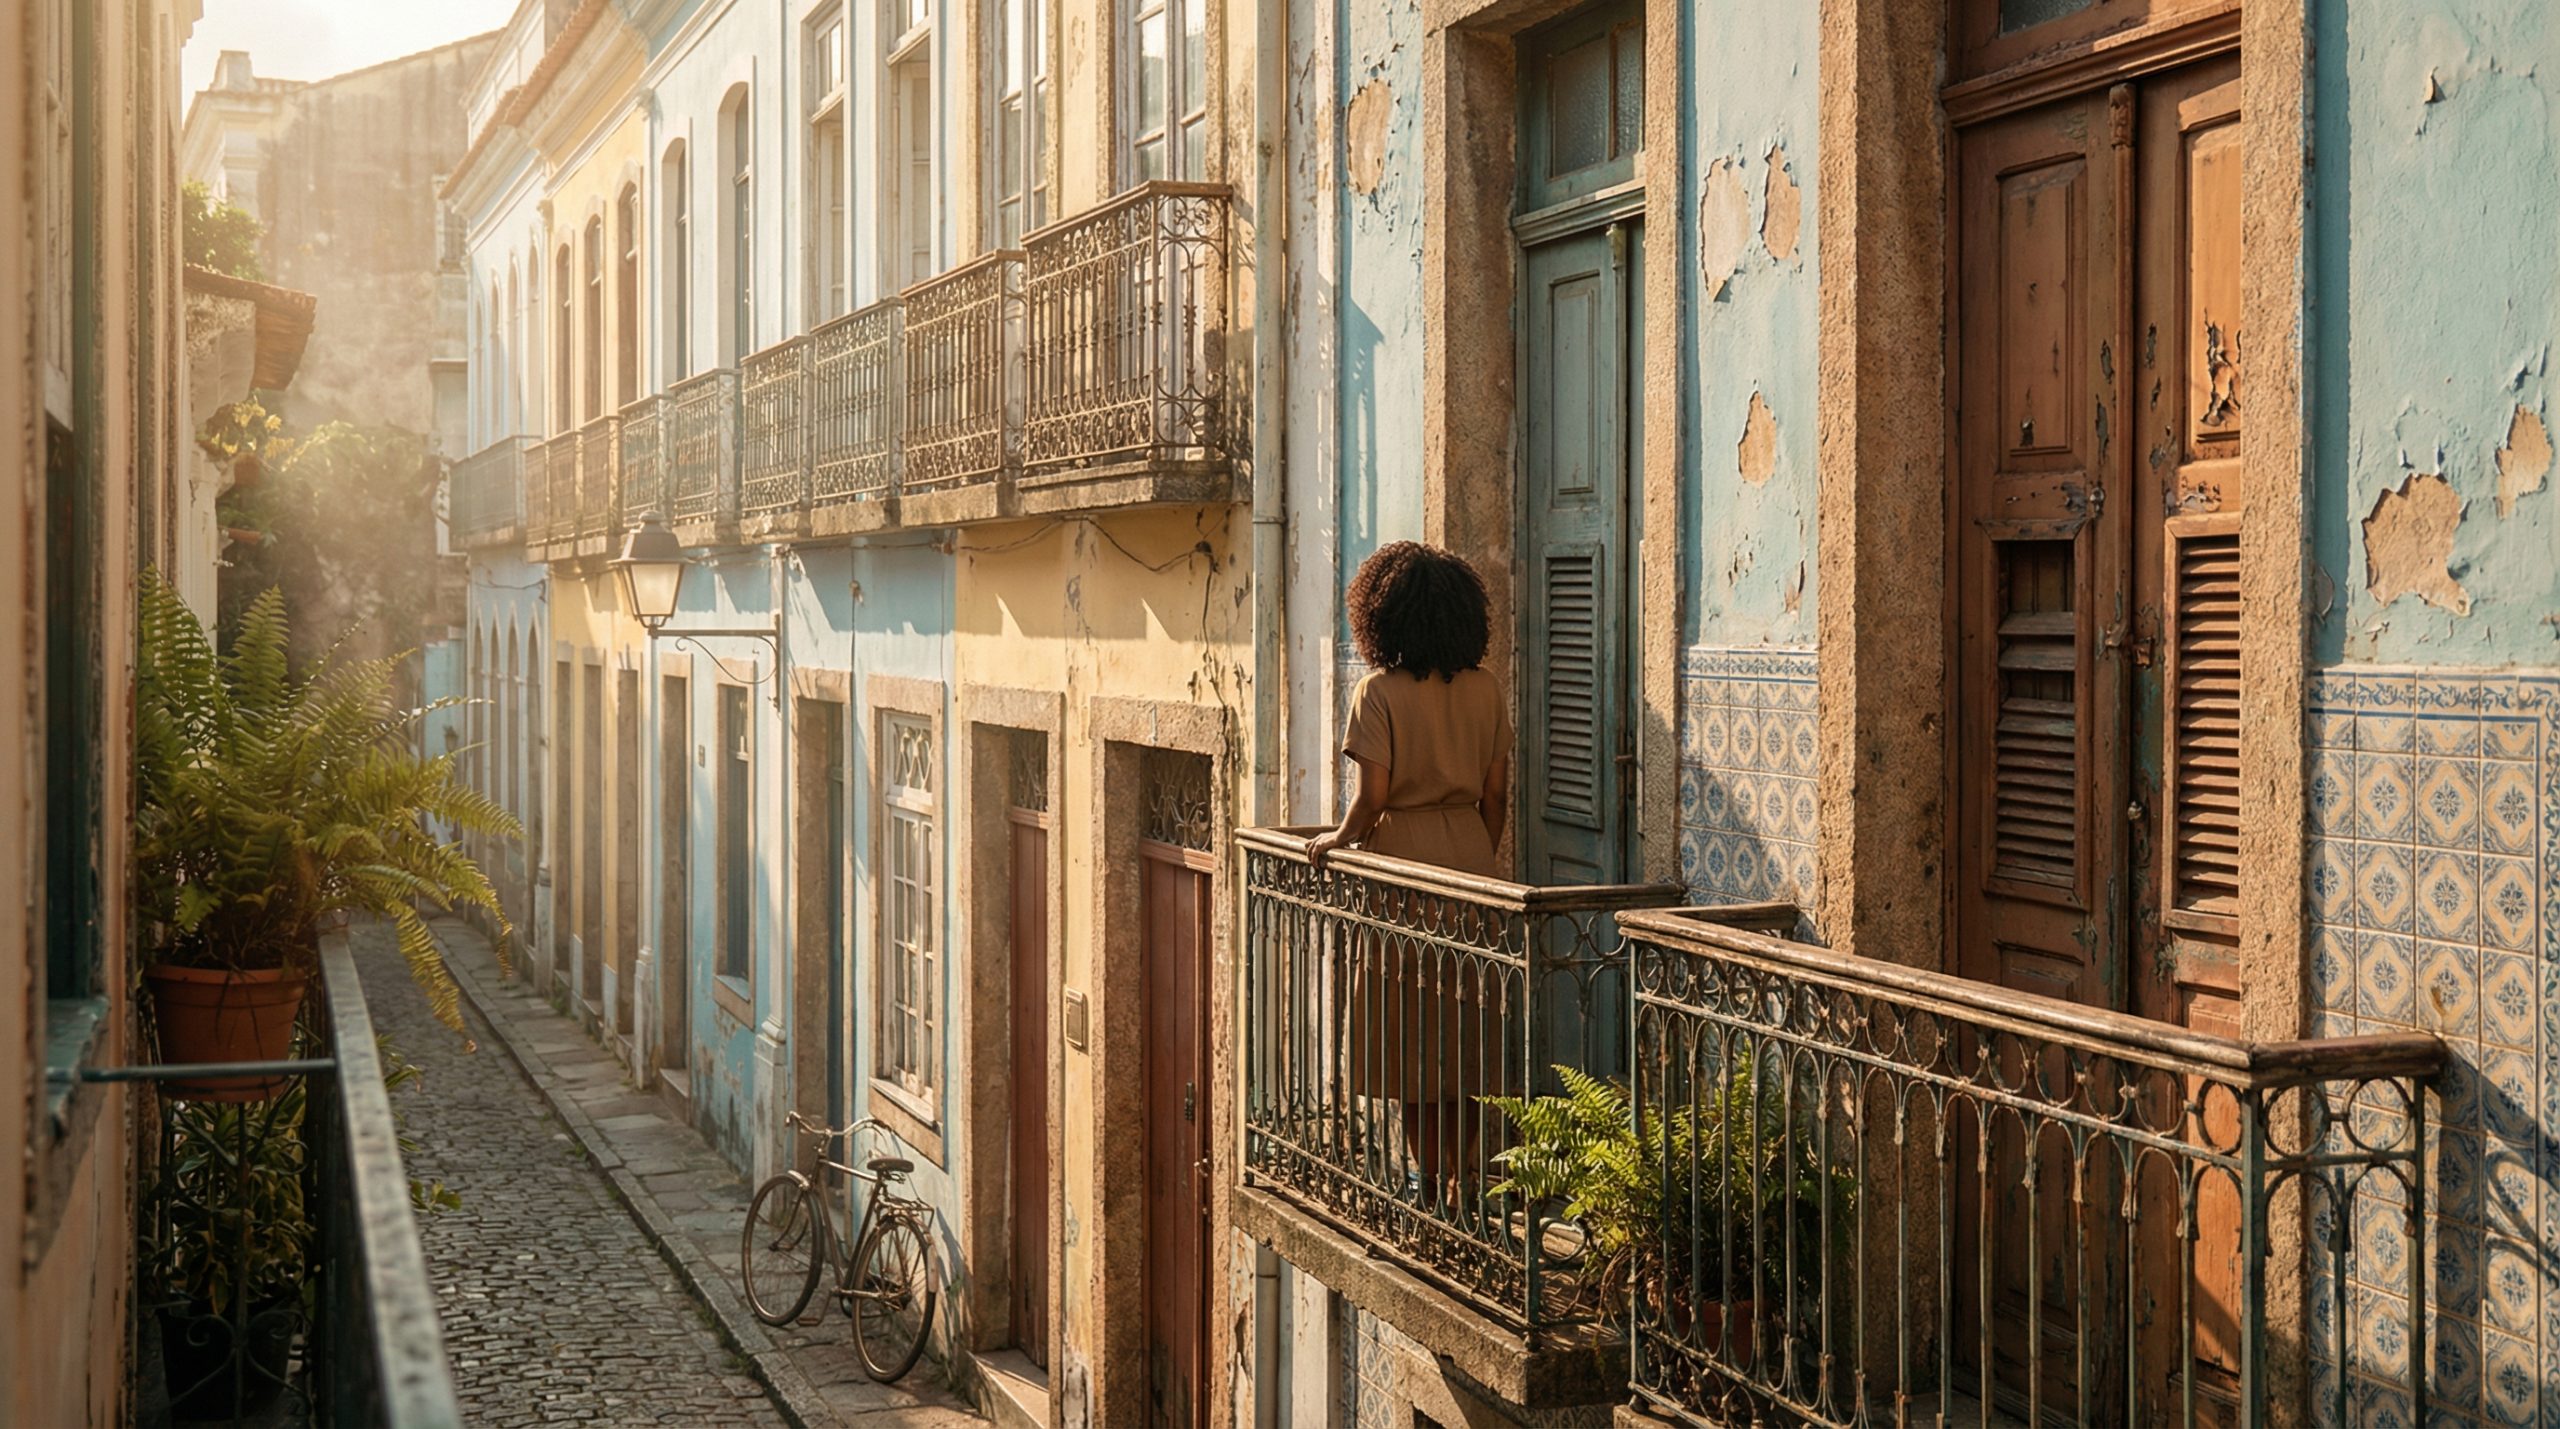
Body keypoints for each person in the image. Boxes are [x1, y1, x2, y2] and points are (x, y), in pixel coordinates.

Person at [1305, 541, 1511, 1201]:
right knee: (1466, 1029)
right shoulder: (1484, 689)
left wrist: (1334, 840)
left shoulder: (1377, 693)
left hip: (1402, 870)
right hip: (1471, 862)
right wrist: (1480, 852)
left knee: (1409, 1040)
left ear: (1381, 617)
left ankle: (1428, 1178)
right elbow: (1497, 794)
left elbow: (1371, 800)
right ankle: (1468, 1175)